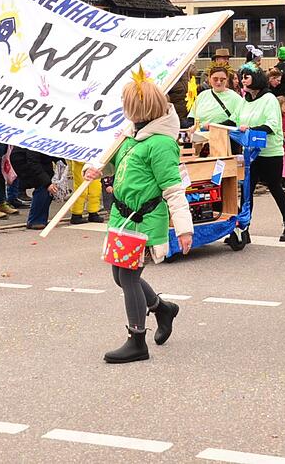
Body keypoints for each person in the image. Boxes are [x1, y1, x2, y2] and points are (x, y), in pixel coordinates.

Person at [82, 77, 193, 364]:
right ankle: (162, 308)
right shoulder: (131, 134)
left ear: (139, 108)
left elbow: (172, 187)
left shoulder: (161, 144)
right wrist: (94, 168)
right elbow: (111, 159)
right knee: (119, 276)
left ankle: (137, 339)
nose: (123, 108)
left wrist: (183, 228)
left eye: (127, 104)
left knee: (129, 276)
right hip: (122, 216)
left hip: (143, 218)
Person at [237, 68, 285, 241]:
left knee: (275, 187)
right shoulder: (245, 100)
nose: (243, 80)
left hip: (270, 152)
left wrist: (251, 129)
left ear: (255, 78)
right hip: (251, 153)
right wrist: (214, 125)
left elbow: (271, 126)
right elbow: (235, 119)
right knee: (247, 190)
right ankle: (244, 228)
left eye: (246, 77)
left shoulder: (269, 99)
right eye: (242, 78)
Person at [10, 146, 61, 230]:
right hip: (23, 161)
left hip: (40, 161)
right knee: (43, 185)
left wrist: (60, 161)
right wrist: (47, 183)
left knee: (48, 185)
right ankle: (35, 221)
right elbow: (33, 162)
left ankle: (42, 219)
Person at [193, 65, 243, 129]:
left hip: (223, 135)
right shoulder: (202, 95)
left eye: (222, 80)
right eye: (215, 79)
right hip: (200, 135)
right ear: (209, 79)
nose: (219, 82)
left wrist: (213, 126)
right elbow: (191, 117)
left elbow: (237, 121)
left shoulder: (235, 98)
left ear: (227, 80)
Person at [68, 160, 104, 225]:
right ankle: (76, 214)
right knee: (81, 191)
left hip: (94, 164)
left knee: (95, 190)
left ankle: (93, 212)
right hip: (80, 165)